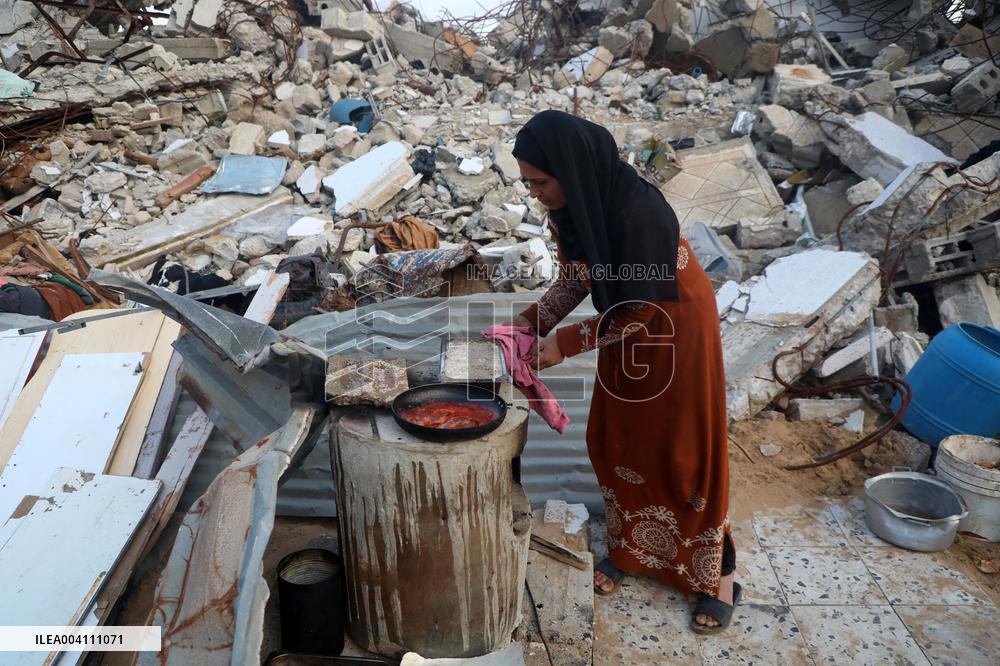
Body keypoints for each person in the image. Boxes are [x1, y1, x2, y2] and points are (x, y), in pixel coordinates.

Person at [508, 110, 739, 634]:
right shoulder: (575, 208)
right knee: (620, 443)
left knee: (684, 456)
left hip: (673, 330)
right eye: (528, 184)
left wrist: (561, 344)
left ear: (572, 170)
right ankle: (633, 553)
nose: (536, 194)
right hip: (623, 328)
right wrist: (522, 327)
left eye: (541, 182)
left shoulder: (640, 214)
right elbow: (577, 280)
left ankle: (718, 575)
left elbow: (642, 311)